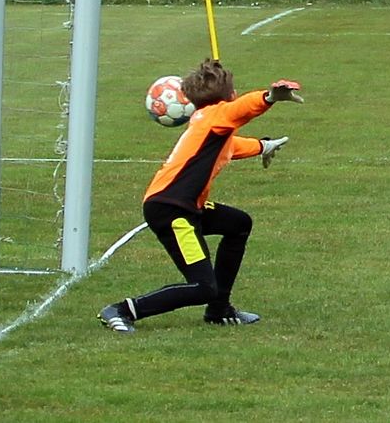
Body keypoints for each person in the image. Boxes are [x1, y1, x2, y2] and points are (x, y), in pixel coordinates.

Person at [98, 59, 303, 333]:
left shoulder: (207, 122)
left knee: (239, 223)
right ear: (230, 95)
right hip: (172, 211)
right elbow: (241, 110)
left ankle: (219, 310)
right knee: (202, 286)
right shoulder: (217, 115)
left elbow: (229, 146)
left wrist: (262, 146)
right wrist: (268, 97)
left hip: (183, 205)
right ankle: (121, 310)